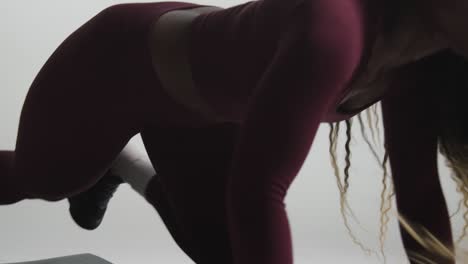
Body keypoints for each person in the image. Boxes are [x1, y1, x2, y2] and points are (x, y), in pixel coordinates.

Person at [1, 0, 467, 263]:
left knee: (225, 255)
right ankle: (95, 167)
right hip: (115, 67)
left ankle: (124, 166)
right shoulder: (333, 33)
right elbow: (258, 190)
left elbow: (420, 195)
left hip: (200, 112)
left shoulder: (421, 65)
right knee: (37, 181)